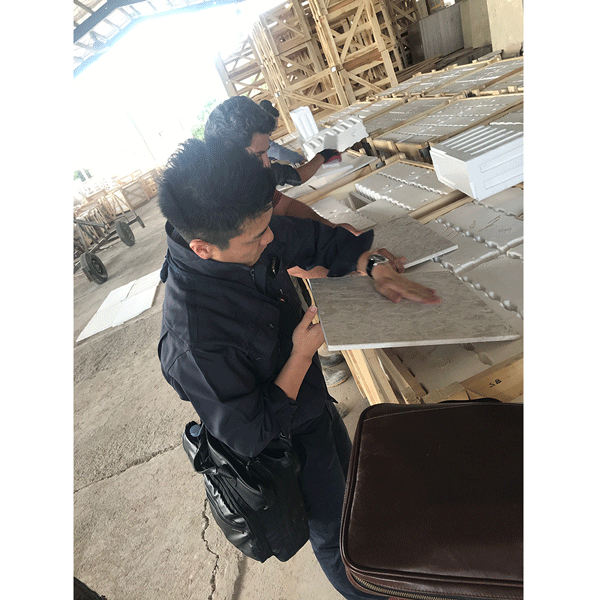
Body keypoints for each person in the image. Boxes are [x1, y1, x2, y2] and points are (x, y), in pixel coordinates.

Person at [157, 139, 440, 600]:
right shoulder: (195, 339)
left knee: (354, 486)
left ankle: (382, 552)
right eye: (256, 239)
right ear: (202, 249)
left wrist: (372, 264)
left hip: (313, 404)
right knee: (335, 535)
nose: (270, 240)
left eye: (266, 227)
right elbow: (250, 433)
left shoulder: (245, 229)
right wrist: (301, 355)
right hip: (286, 446)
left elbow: (312, 241)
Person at [258, 99, 306, 165]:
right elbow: (278, 152)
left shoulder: (258, 127)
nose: (275, 128)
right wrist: (299, 159)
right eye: (274, 126)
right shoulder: (257, 136)